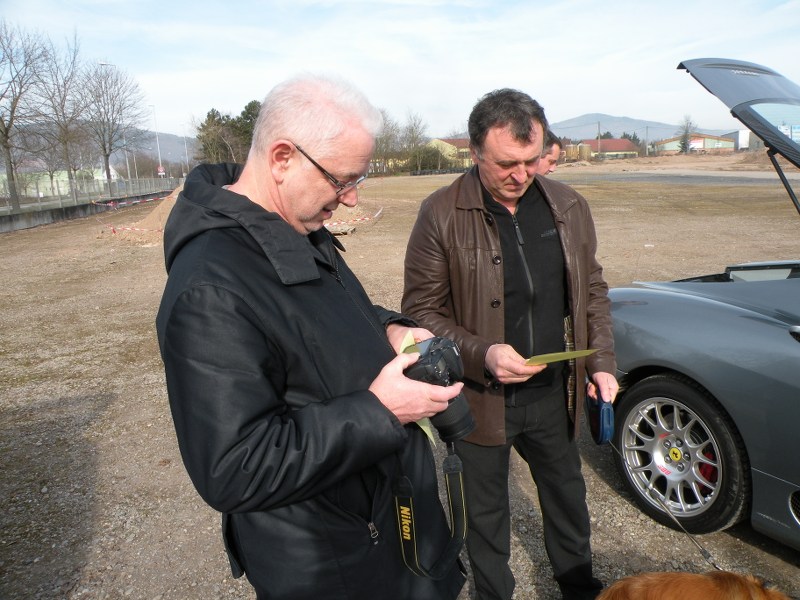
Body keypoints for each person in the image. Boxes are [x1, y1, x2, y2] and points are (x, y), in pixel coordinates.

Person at [156, 74, 466, 600]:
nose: (349, 199)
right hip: (334, 564)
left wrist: (389, 327)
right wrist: (382, 411)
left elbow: (328, 314)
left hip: (386, 526)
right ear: (281, 158)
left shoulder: (292, 225)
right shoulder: (209, 290)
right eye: (341, 180)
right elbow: (234, 468)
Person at [402, 88, 618, 600]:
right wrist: (484, 354)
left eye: (531, 160)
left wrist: (602, 363)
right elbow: (420, 314)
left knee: (568, 498)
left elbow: (591, 290)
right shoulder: (440, 214)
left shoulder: (568, 205)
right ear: (475, 152)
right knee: (486, 518)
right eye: (506, 164)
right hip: (479, 399)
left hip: (552, 395)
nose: (522, 175)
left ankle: (578, 587)